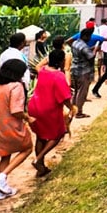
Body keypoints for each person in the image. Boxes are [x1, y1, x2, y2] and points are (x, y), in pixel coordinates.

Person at [0, 59, 35, 200]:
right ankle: (1, 177)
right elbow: (16, 110)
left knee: (5, 154)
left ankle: (1, 190)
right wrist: (28, 118)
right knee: (27, 148)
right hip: (12, 125)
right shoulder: (16, 86)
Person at [27, 49, 75, 177]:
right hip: (48, 109)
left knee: (41, 135)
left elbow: (40, 65)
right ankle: (38, 160)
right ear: (61, 61)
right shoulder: (58, 76)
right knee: (57, 134)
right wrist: (71, 107)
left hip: (34, 106)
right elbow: (65, 97)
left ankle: (41, 168)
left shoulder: (42, 70)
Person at [70, 28, 98, 118]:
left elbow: (82, 52)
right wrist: (95, 50)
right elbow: (91, 57)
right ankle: (79, 112)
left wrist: (90, 49)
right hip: (83, 71)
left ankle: (72, 110)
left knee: (76, 91)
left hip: (74, 69)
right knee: (82, 92)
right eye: (89, 36)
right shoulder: (84, 46)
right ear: (85, 36)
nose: (90, 38)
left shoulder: (75, 43)